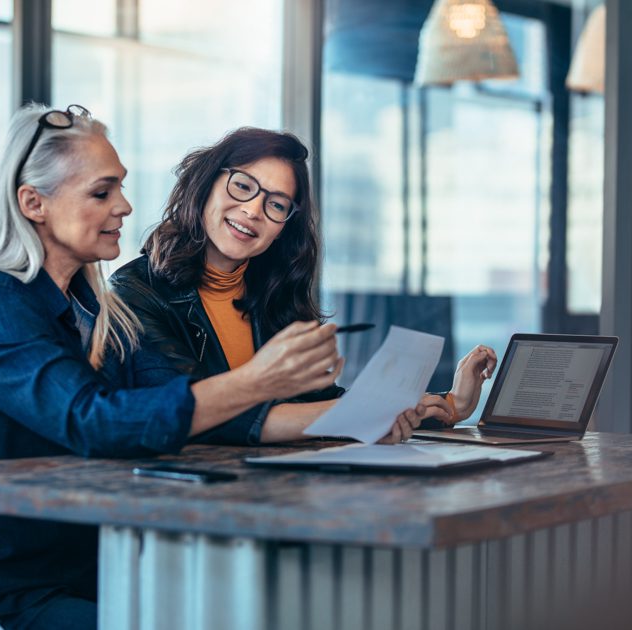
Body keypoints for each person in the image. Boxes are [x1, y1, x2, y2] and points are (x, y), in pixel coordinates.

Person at [0, 105, 395, 629]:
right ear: (34, 203)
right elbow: (93, 421)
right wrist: (258, 380)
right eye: (102, 192)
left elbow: (189, 405)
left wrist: (367, 418)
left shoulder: (97, 310)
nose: (124, 206)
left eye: (120, 188)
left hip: (87, 570)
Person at [110, 127, 498, 444]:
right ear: (206, 184)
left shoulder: (271, 295)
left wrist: (451, 404)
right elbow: (199, 413)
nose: (253, 210)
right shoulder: (133, 293)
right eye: (243, 186)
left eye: (276, 204)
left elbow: (318, 403)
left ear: (283, 228)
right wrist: (364, 416)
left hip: (273, 491)